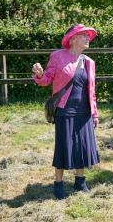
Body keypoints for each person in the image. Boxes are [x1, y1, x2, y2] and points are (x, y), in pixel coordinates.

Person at [32, 24, 100, 199]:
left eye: (88, 36)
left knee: (83, 147)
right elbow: (46, 80)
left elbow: (91, 90)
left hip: (84, 111)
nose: (88, 39)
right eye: (84, 35)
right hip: (64, 109)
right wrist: (39, 74)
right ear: (73, 39)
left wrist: (94, 113)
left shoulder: (89, 62)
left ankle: (80, 181)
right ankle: (58, 183)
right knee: (64, 146)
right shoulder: (57, 57)